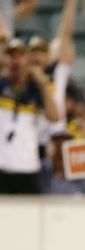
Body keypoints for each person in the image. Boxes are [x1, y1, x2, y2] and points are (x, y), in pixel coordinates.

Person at [0, 38, 60, 194]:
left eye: (20, 56)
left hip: (28, 166)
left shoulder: (36, 89)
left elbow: (54, 116)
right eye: (11, 56)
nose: (16, 61)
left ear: (28, 60)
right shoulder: (2, 84)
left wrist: (42, 83)